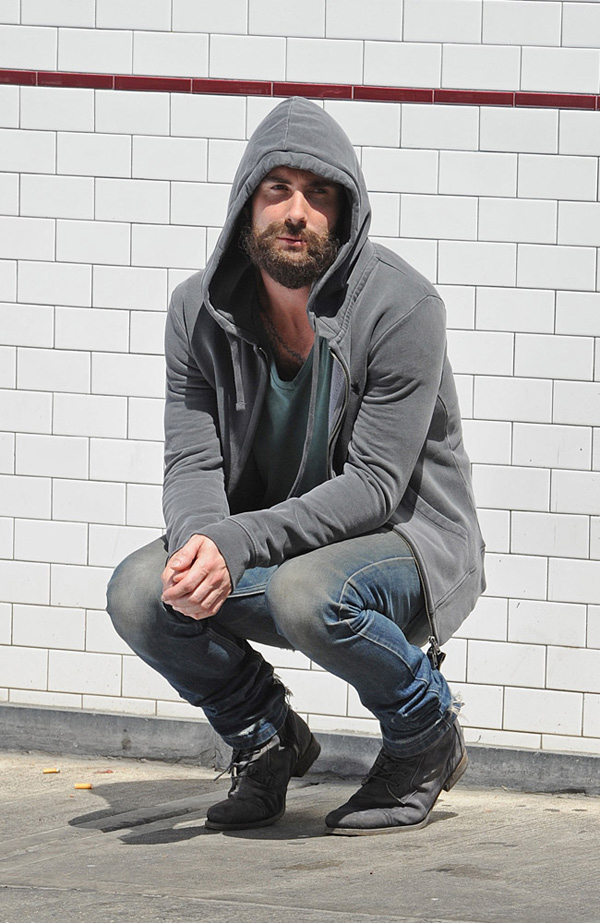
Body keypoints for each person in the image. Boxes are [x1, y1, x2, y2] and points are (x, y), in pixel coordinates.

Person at [107, 97, 485, 836]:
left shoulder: (403, 306)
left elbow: (375, 485)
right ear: (247, 203)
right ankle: (265, 736)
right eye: (277, 189)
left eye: (319, 194)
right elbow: (192, 461)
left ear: (344, 211)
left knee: (306, 590)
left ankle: (425, 731)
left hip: (404, 540)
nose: (296, 212)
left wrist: (238, 542)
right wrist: (204, 545)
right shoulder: (195, 311)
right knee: (140, 591)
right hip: (275, 544)